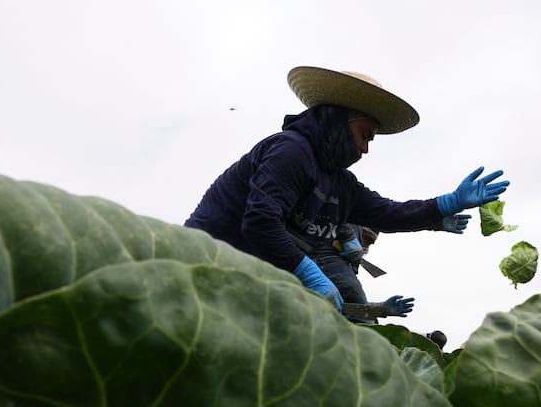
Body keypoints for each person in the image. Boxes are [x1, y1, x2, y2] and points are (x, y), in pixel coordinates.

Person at [186, 67, 509, 317]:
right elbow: (260, 222)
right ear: (338, 121)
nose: (365, 149)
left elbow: (388, 213)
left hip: (248, 283)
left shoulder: (340, 183)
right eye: (364, 135)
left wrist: (444, 205)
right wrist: (308, 272)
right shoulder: (291, 152)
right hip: (202, 267)